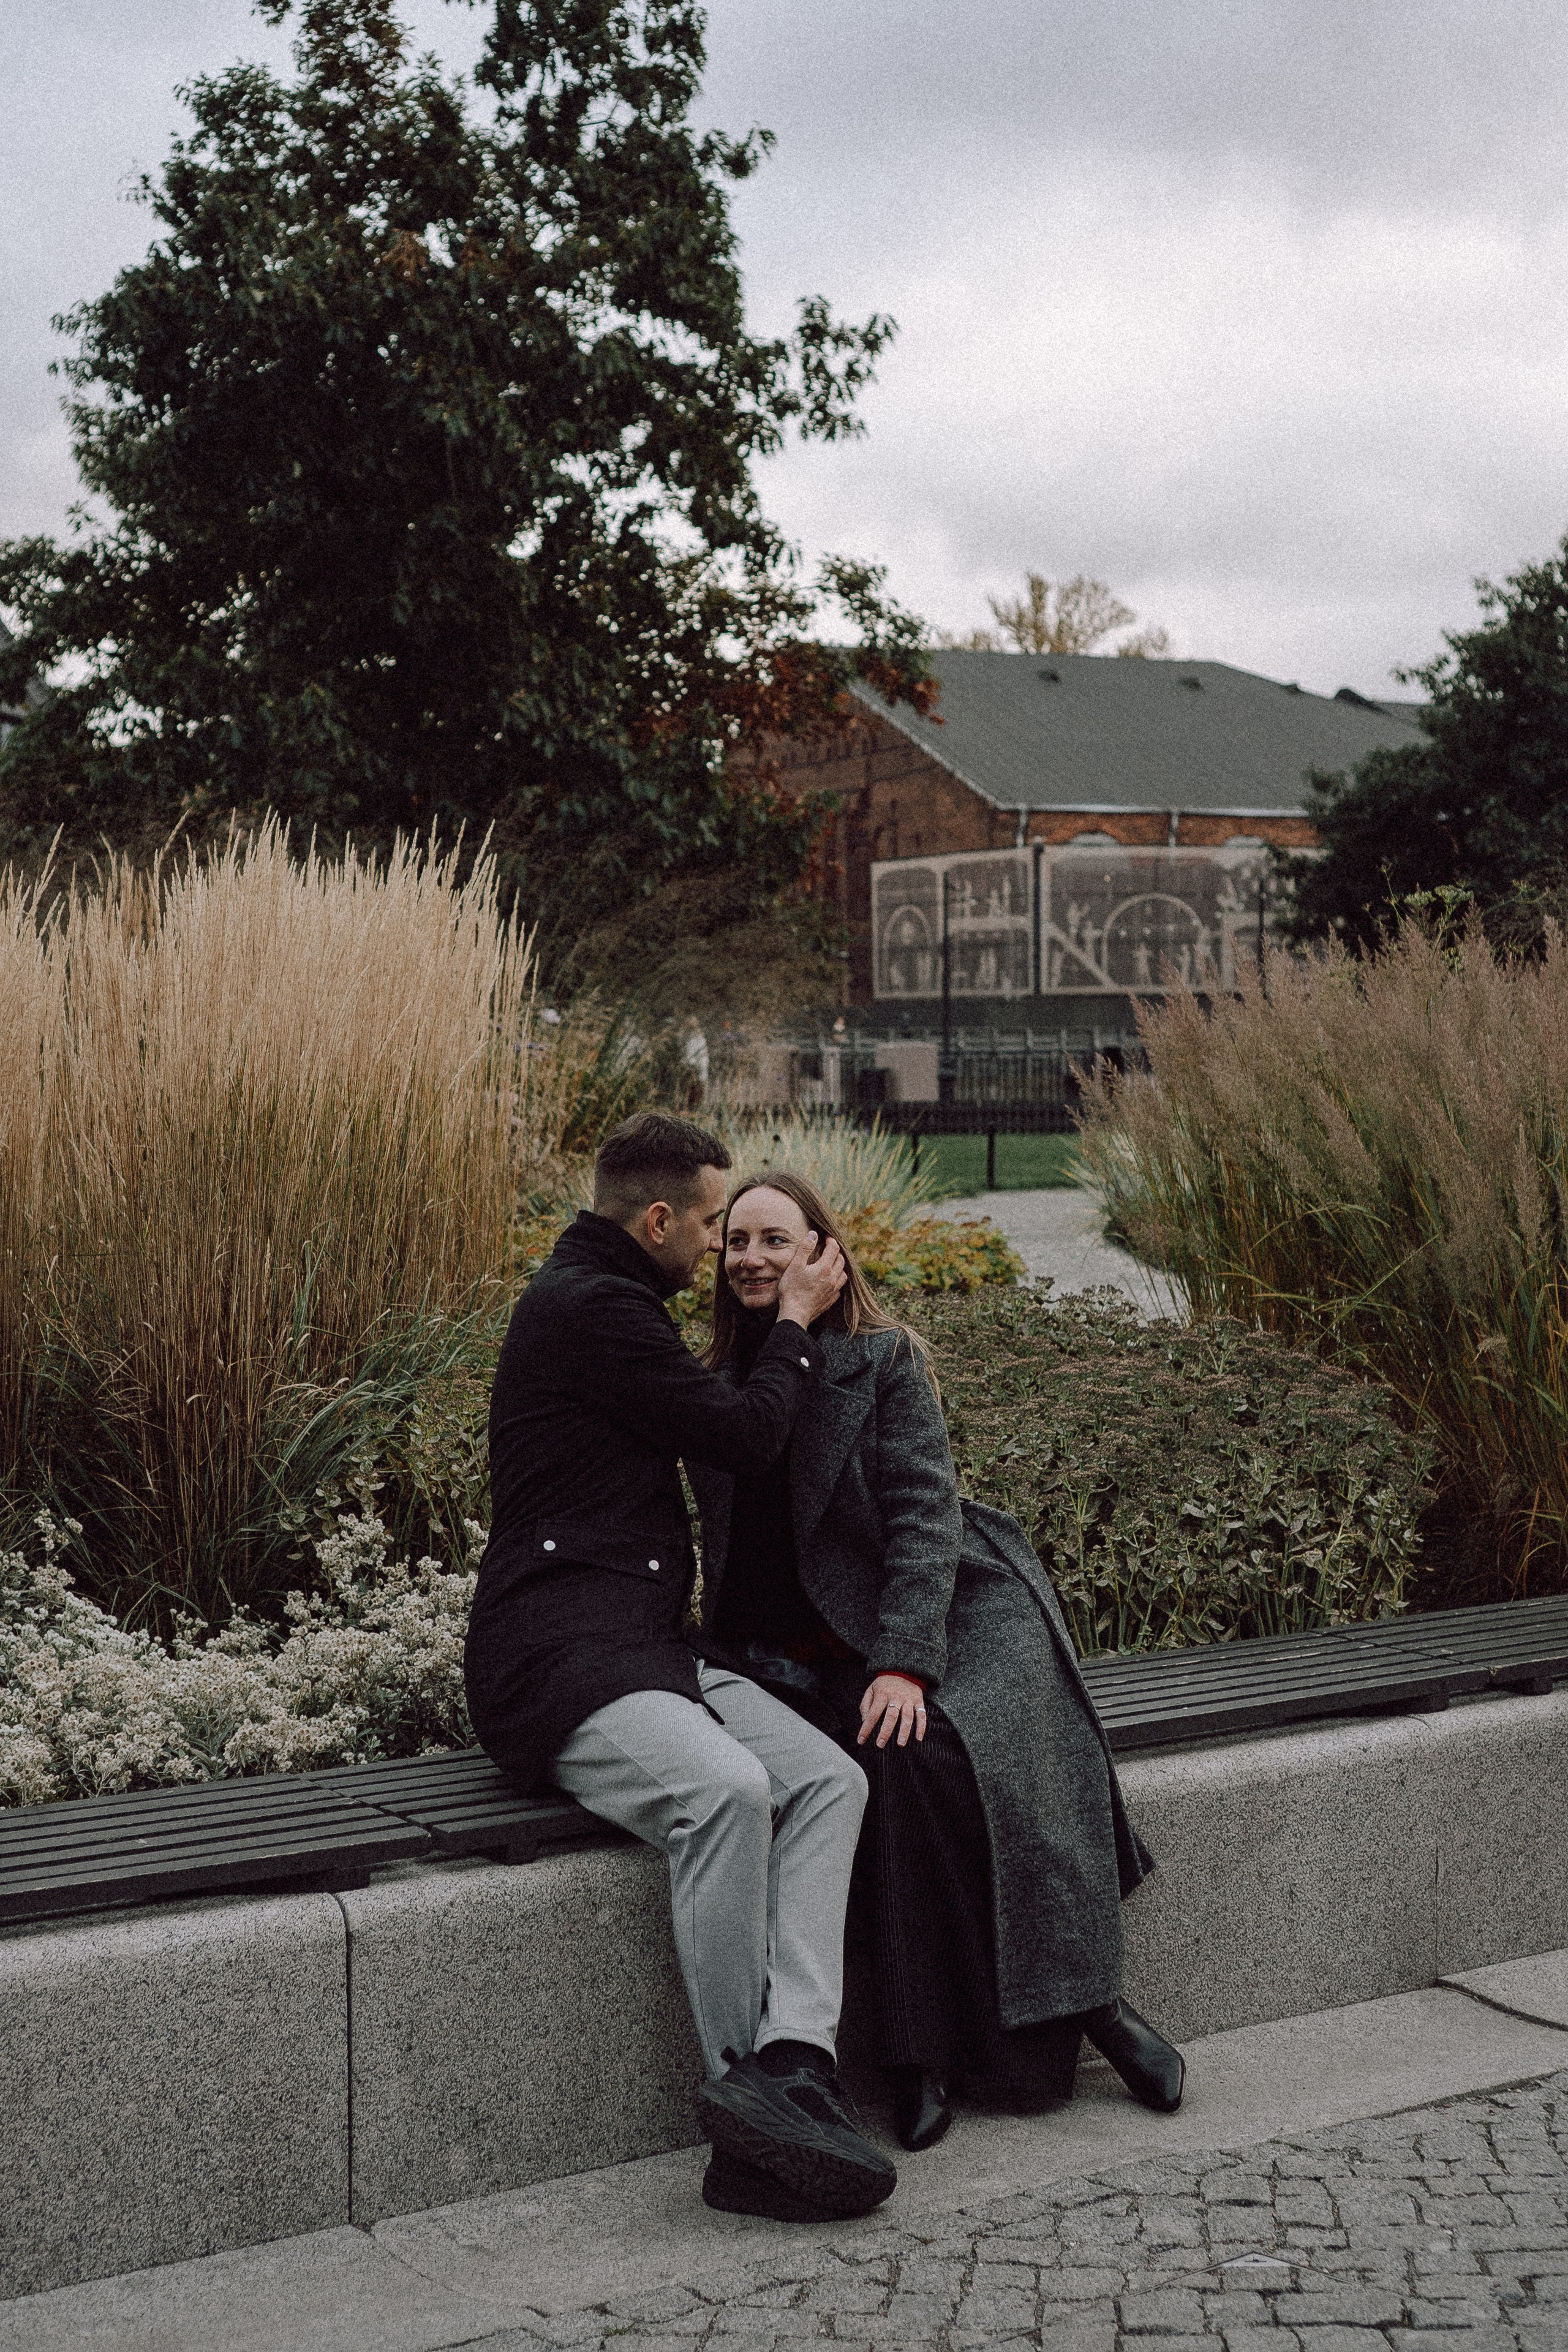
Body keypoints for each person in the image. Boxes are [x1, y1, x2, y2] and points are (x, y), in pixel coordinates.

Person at [690, 1169, 1186, 2154]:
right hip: (792, 1660)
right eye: (736, 1241)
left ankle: (1096, 2008)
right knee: (892, 1772)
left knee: (973, 1755)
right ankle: (919, 2060)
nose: (751, 1257)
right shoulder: (714, 1384)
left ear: (824, 1255)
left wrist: (909, 1665)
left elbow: (925, 1521)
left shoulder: (882, 1360)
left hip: (951, 1607)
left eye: (775, 1241)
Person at [464, 1113, 897, 2223]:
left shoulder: (612, 1305)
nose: (718, 1248)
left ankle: (795, 2059)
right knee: (729, 1792)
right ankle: (746, 2098)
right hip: (558, 1659)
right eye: (712, 1223)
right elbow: (747, 1433)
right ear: (658, 1218)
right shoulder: (594, 1311)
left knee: (829, 1780)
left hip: (646, 1647)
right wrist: (797, 1315)